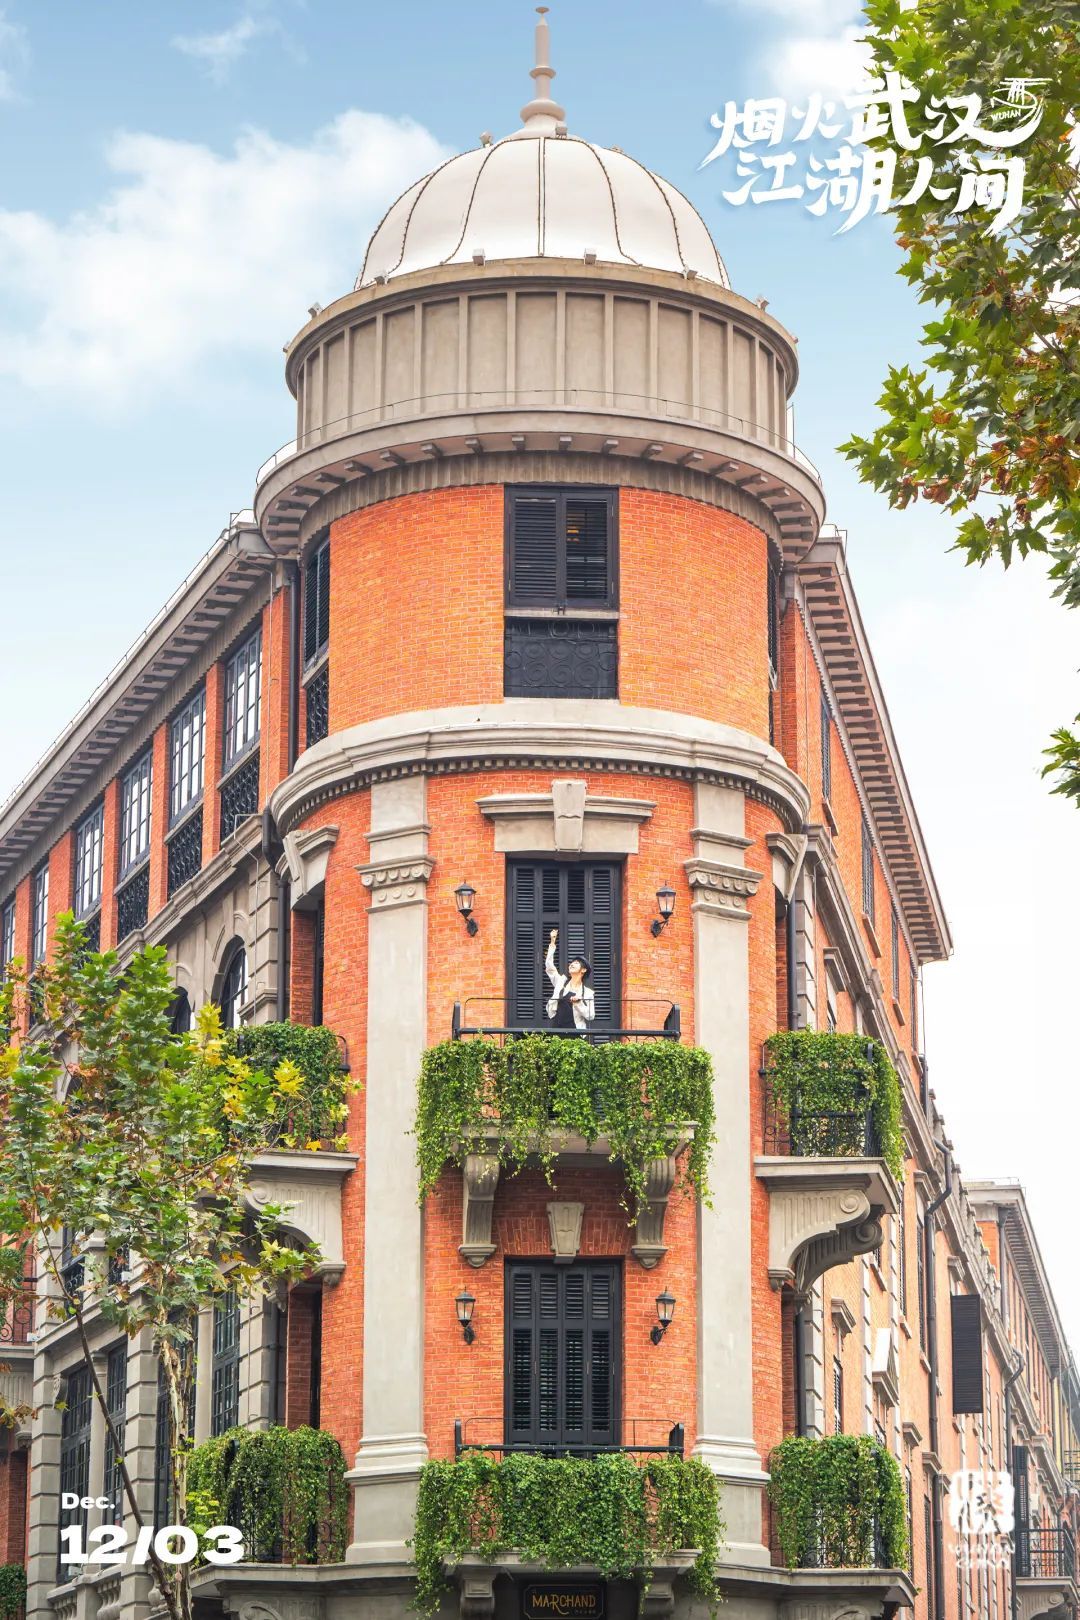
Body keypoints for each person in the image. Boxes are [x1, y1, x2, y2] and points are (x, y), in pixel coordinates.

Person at [545, 928, 595, 1031]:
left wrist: (578, 1003)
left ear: (583, 970)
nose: (572, 964)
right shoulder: (560, 982)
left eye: (576, 963)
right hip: (556, 1030)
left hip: (575, 1032)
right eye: (571, 963)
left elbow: (590, 1016)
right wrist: (552, 943)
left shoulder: (588, 993)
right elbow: (549, 967)